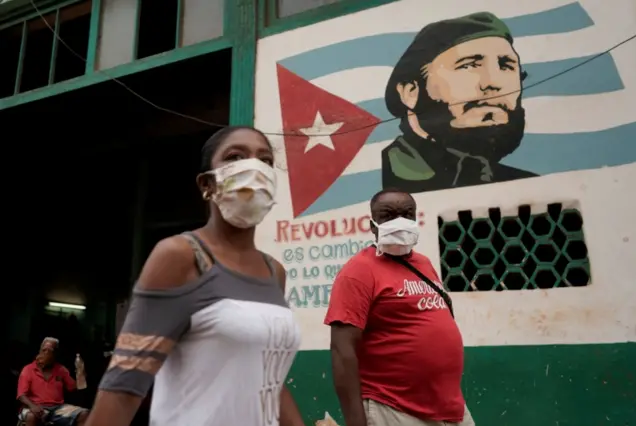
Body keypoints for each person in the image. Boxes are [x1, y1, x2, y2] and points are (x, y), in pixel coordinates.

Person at [85, 126, 304, 426]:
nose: (254, 167)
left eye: (265, 161)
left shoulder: (274, 272)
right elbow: (124, 386)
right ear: (207, 184)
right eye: (235, 156)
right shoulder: (181, 256)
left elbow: (269, 381)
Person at [324, 188, 474, 426]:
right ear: (373, 225)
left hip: (450, 408)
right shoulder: (358, 271)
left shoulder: (423, 264)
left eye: (407, 214)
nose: (399, 222)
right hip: (394, 409)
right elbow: (342, 351)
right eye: (388, 215)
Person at [381, 12, 536, 193]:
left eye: (506, 65)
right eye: (469, 65)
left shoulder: (527, 185)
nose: (493, 83)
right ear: (410, 92)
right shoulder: (392, 180)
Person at [17, 337, 89, 426]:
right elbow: (21, 395)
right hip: (34, 406)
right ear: (39, 351)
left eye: (50, 351)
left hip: (58, 408)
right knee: (31, 416)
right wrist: (33, 406)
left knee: (84, 414)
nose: (46, 353)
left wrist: (81, 375)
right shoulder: (28, 369)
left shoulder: (61, 369)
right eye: (44, 350)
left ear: (55, 354)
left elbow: (74, 387)